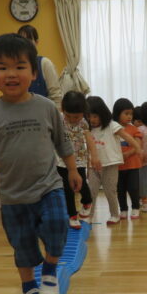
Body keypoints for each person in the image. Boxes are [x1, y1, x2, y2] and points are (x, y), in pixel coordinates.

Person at [0, 33, 81, 294]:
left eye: (19, 67)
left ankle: (49, 271)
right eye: (2, 68)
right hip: (13, 196)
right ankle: (28, 284)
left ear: (33, 72)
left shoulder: (47, 107)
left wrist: (73, 170)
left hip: (48, 187)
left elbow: (62, 141)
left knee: (56, 228)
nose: (11, 74)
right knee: (22, 245)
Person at [86, 95, 141, 226]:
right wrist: (87, 166)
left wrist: (137, 147)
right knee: (91, 192)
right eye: (89, 116)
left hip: (110, 164)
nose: (92, 119)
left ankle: (115, 215)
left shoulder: (112, 125)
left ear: (102, 114)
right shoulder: (87, 128)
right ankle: (89, 216)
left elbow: (126, 136)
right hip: (94, 166)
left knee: (110, 191)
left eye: (95, 116)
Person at [58, 91, 101, 229]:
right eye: (68, 115)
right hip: (61, 161)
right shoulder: (58, 119)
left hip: (79, 160)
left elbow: (89, 140)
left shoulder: (83, 123)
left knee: (82, 184)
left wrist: (94, 156)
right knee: (68, 189)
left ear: (84, 112)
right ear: (63, 110)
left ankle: (87, 202)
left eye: (75, 116)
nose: (71, 119)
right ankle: (72, 215)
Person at [16, 24, 62, 109]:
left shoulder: (45, 63)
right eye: (21, 40)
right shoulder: (15, 66)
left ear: (36, 42)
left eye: (29, 39)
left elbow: (56, 95)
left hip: (44, 114)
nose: (25, 44)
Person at [112, 98, 143, 220]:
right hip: (118, 165)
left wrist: (127, 154)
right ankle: (123, 209)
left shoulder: (134, 129)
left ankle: (135, 208)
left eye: (131, 114)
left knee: (133, 187)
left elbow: (138, 145)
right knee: (120, 189)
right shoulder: (112, 128)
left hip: (132, 165)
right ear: (117, 113)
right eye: (126, 113)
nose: (129, 116)